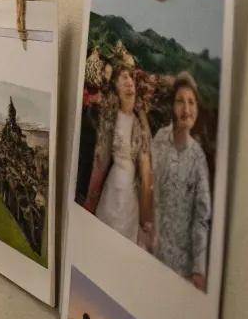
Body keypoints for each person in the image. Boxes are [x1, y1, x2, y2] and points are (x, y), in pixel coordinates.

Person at [149, 72, 212, 288]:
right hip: (151, 251)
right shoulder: (159, 140)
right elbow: (147, 188)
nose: (187, 109)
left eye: (191, 102)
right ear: (172, 108)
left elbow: (202, 217)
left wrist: (199, 269)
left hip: (181, 268)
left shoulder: (198, 157)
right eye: (180, 101)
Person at [83, 63, 152, 244]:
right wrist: (91, 200)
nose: (129, 81)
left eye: (131, 77)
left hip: (131, 197)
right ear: (115, 86)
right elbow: (101, 160)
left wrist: (146, 216)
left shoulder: (139, 123)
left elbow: (146, 172)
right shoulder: (111, 115)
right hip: (113, 189)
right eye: (123, 77)